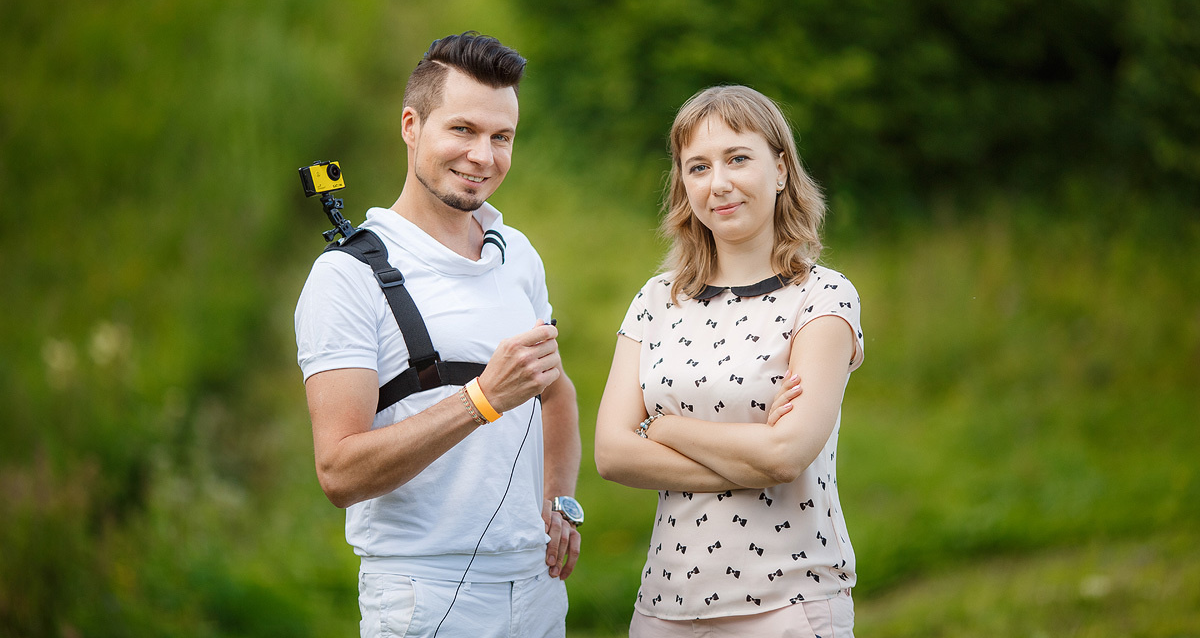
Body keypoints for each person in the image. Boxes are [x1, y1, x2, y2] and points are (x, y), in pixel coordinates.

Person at [295, 32, 583, 638]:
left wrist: (559, 502)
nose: (483, 156)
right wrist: (483, 399)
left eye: (501, 137)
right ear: (411, 126)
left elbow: (556, 392)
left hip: (537, 587)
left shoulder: (517, 253)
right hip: (425, 593)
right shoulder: (348, 276)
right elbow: (339, 473)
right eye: (463, 130)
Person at [595, 84, 865, 637]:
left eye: (737, 158)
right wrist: (752, 455)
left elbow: (786, 456)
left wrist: (662, 427)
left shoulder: (823, 296)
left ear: (781, 168)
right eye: (698, 167)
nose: (718, 183)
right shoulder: (657, 299)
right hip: (664, 608)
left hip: (788, 603)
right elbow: (612, 453)